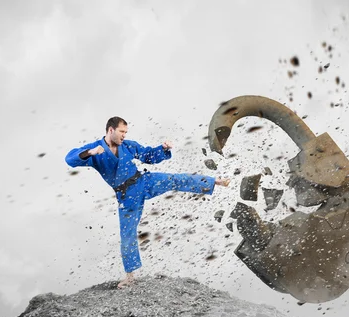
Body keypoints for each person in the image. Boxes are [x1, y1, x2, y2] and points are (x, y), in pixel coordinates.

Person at [65, 116, 230, 289]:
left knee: (175, 179)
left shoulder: (128, 145)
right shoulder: (95, 150)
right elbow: (70, 159)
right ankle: (130, 277)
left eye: (126, 132)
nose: (124, 135)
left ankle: (214, 181)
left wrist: (163, 148)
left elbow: (148, 155)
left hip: (143, 182)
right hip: (126, 197)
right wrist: (89, 153)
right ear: (110, 130)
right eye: (121, 132)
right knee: (127, 234)